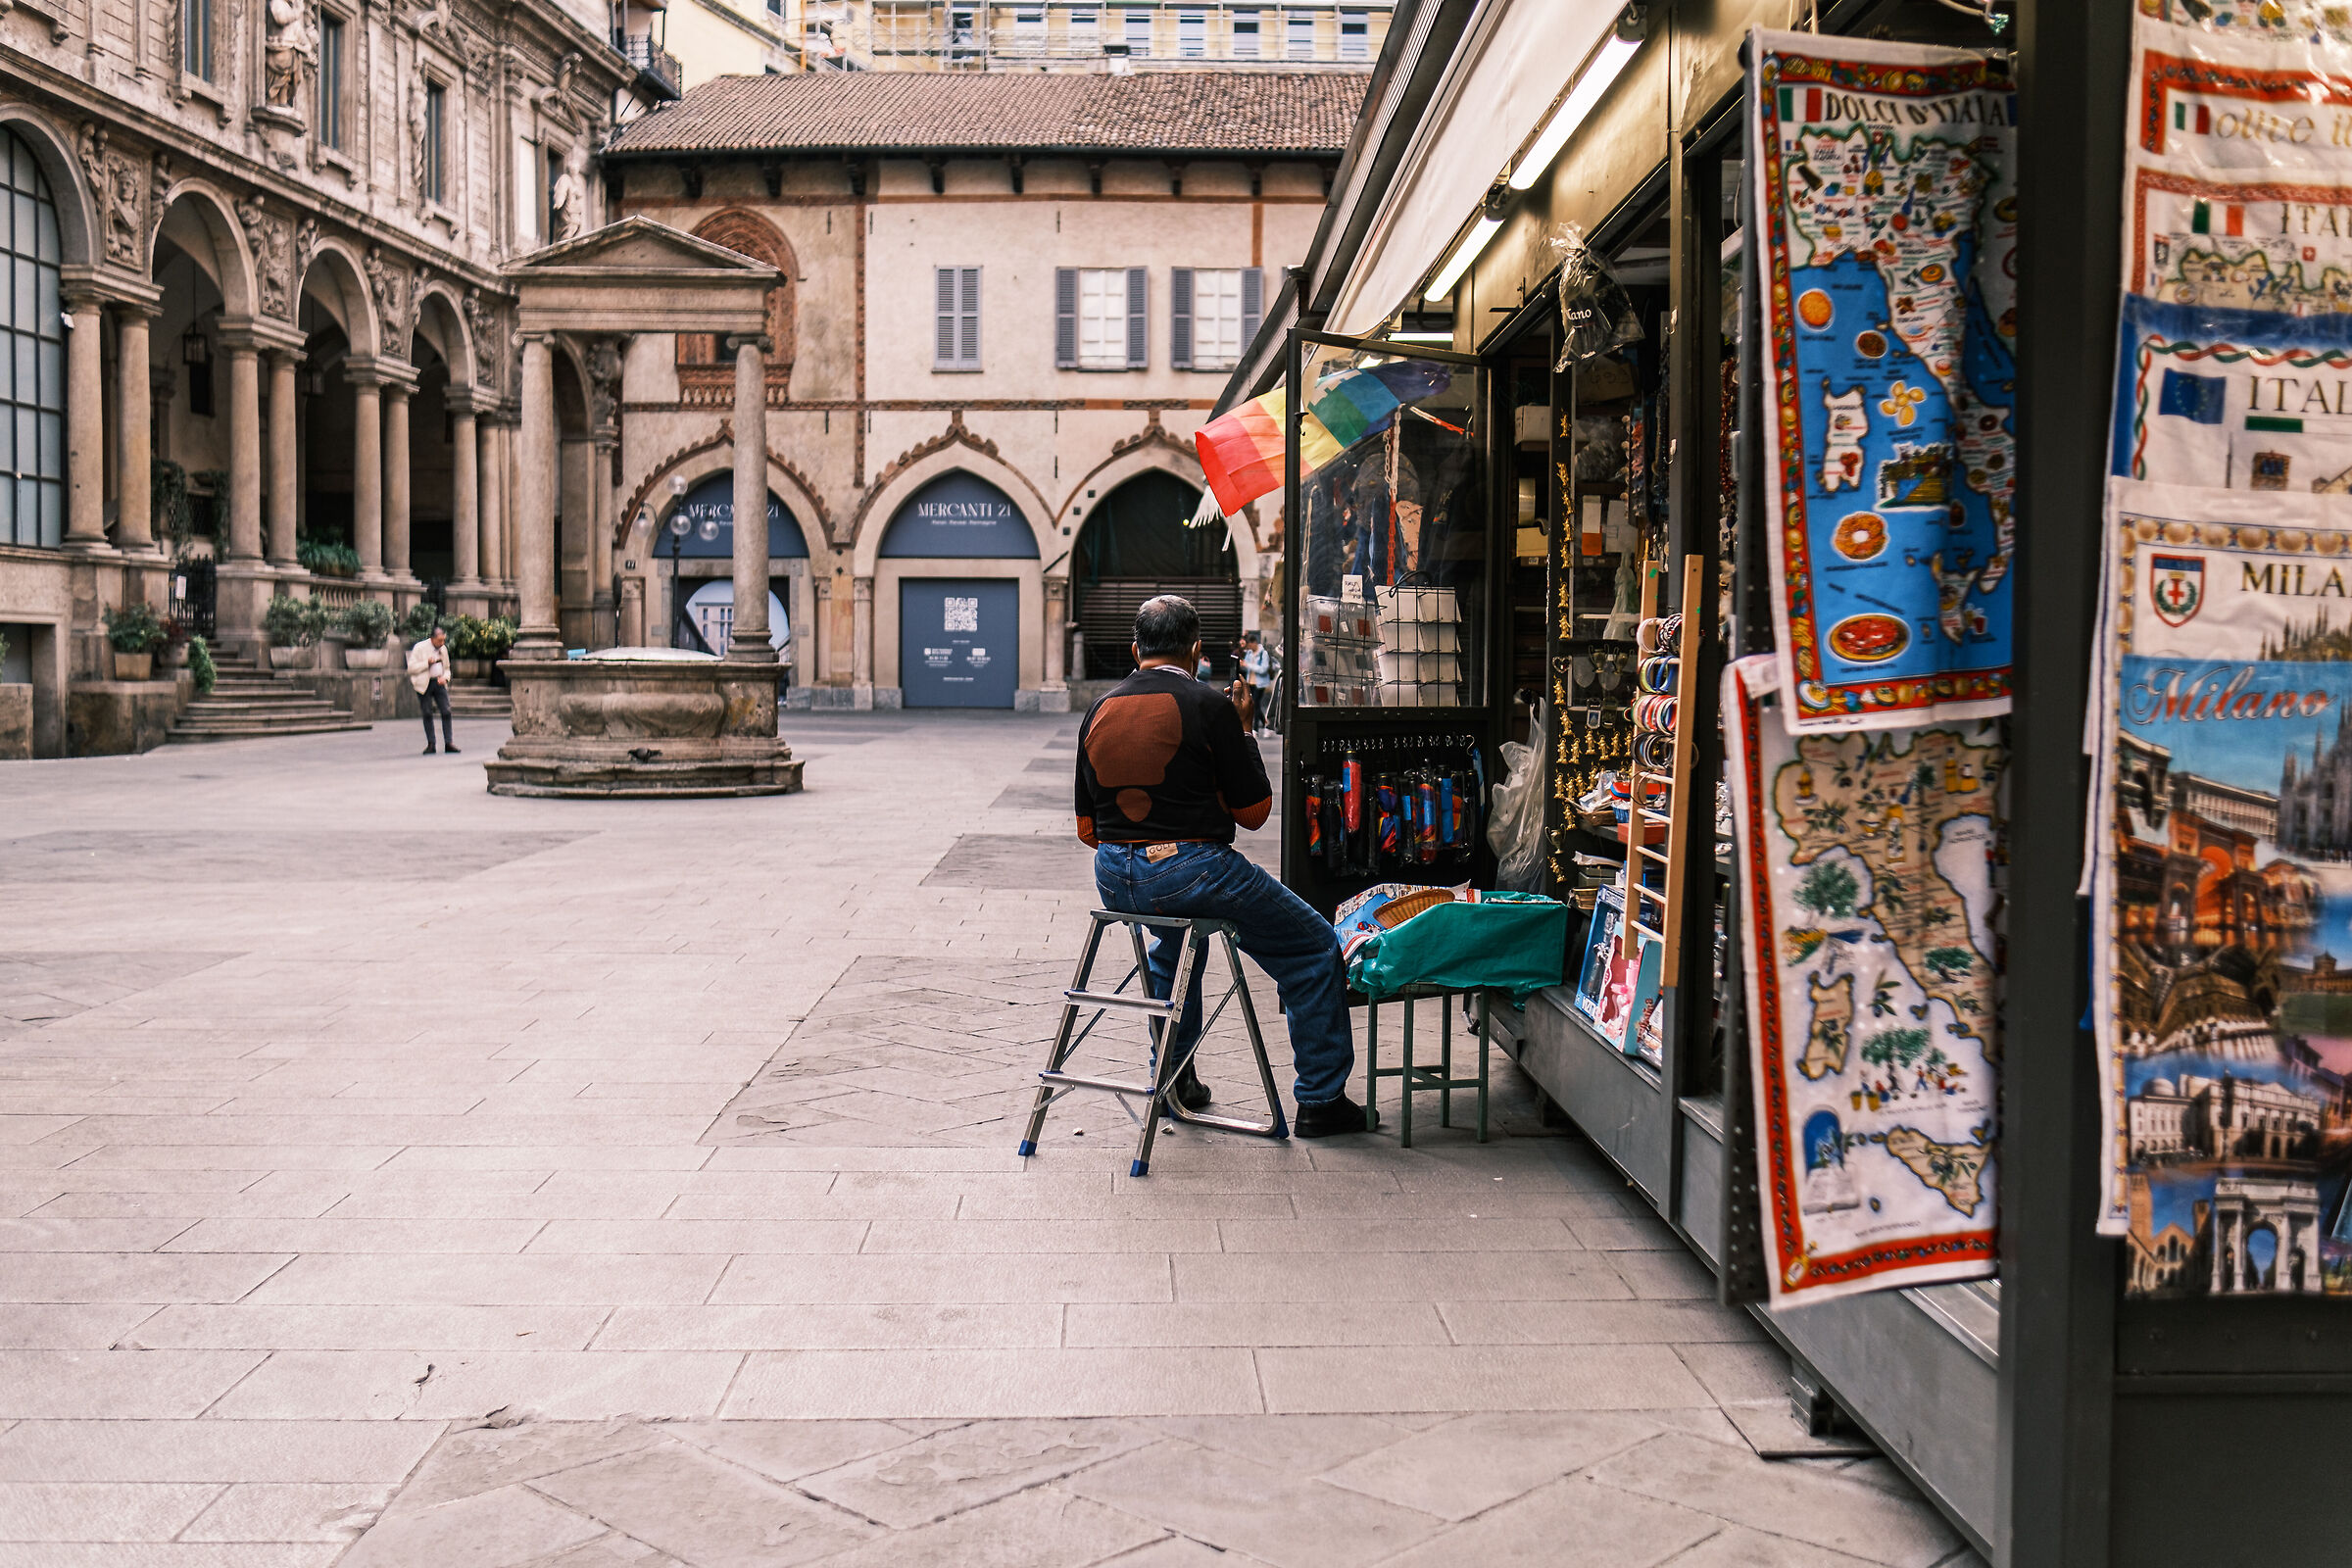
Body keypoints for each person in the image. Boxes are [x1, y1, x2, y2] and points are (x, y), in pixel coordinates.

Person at [1075, 595, 1369, 1136]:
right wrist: (1244, 729)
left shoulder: (1100, 708)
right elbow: (1254, 813)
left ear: (1136, 649)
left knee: (1176, 943)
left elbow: (1087, 829)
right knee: (1311, 946)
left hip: (1115, 875)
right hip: (1192, 868)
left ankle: (1173, 1079)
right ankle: (1322, 1099)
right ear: (1196, 651)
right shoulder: (1208, 705)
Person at [408, 623, 458, 756]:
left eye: (443, 640)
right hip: (424, 683)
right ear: (432, 639)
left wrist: (445, 678)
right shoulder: (420, 648)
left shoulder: (444, 649)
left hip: (439, 682)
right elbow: (411, 668)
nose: (442, 643)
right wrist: (427, 663)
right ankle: (431, 743)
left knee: (446, 710)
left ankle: (449, 742)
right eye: (439, 640)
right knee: (427, 712)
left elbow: (447, 668)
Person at [1240, 631, 1275, 737]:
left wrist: (1248, 665)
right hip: (1250, 682)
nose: (1249, 648)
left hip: (1260, 683)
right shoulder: (1250, 653)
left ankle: (1255, 729)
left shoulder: (1263, 653)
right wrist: (1243, 665)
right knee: (1256, 705)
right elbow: (1246, 666)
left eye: (1250, 645)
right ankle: (1266, 724)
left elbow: (1263, 669)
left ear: (1254, 643)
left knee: (1254, 704)